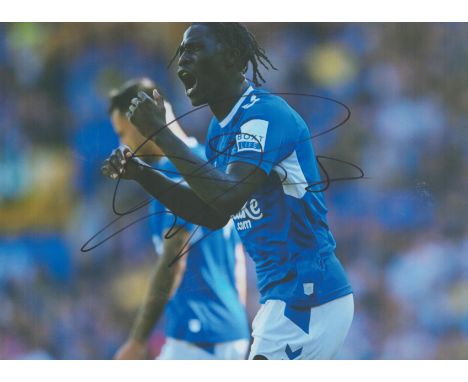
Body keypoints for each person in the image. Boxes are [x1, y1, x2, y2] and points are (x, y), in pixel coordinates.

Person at [102, 23, 354, 360]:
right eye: (180, 54)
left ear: (232, 57)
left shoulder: (264, 115)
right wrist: (141, 174)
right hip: (284, 298)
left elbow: (229, 196)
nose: (182, 62)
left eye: (193, 50)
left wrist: (159, 133)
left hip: (309, 296)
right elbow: (214, 213)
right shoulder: (220, 132)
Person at [105, 78, 250, 360]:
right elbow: (238, 257)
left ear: (138, 120)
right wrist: (235, 321)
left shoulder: (172, 172)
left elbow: (174, 259)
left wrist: (137, 341)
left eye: (122, 133)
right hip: (228, 331)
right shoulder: (207, 162)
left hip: (199, 334)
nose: (123, 143)